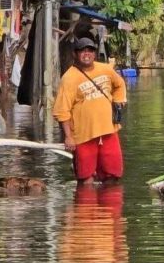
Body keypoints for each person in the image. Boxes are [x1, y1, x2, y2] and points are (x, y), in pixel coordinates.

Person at [53, 37, 127, 185]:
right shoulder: (69, 78)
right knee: (86, 177)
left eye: (90, 50)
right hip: (83, 135)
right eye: (82, 51)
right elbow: (62, 111)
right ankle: (86, 206)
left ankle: (109, 206)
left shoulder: (105, 69)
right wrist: (68, 137)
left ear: (94, 53)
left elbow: (119, 84)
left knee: (113, 174)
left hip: (108, 130)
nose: (86, 54)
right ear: (75, 54)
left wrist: (119, 101)